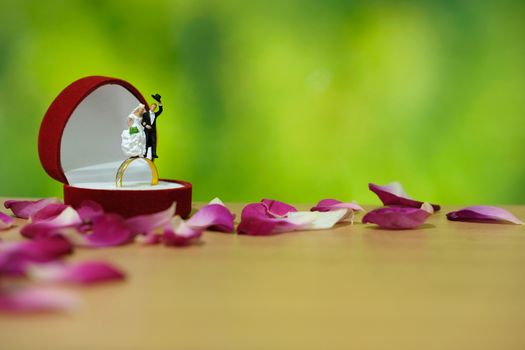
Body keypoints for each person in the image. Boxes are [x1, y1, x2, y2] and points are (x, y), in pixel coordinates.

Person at [142, 94, 163, 159]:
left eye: (155, 107)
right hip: (147, 130)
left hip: (153, 131)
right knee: (146, 141)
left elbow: (161, 110)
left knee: (154, 142)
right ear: (150, 107)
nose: (153, 108)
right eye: (152, 107)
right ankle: (145, 153)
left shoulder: (155, 114)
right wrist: (146, 125)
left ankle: (153, 154)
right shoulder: (145, 114)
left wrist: (159, 102)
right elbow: (142, 122)